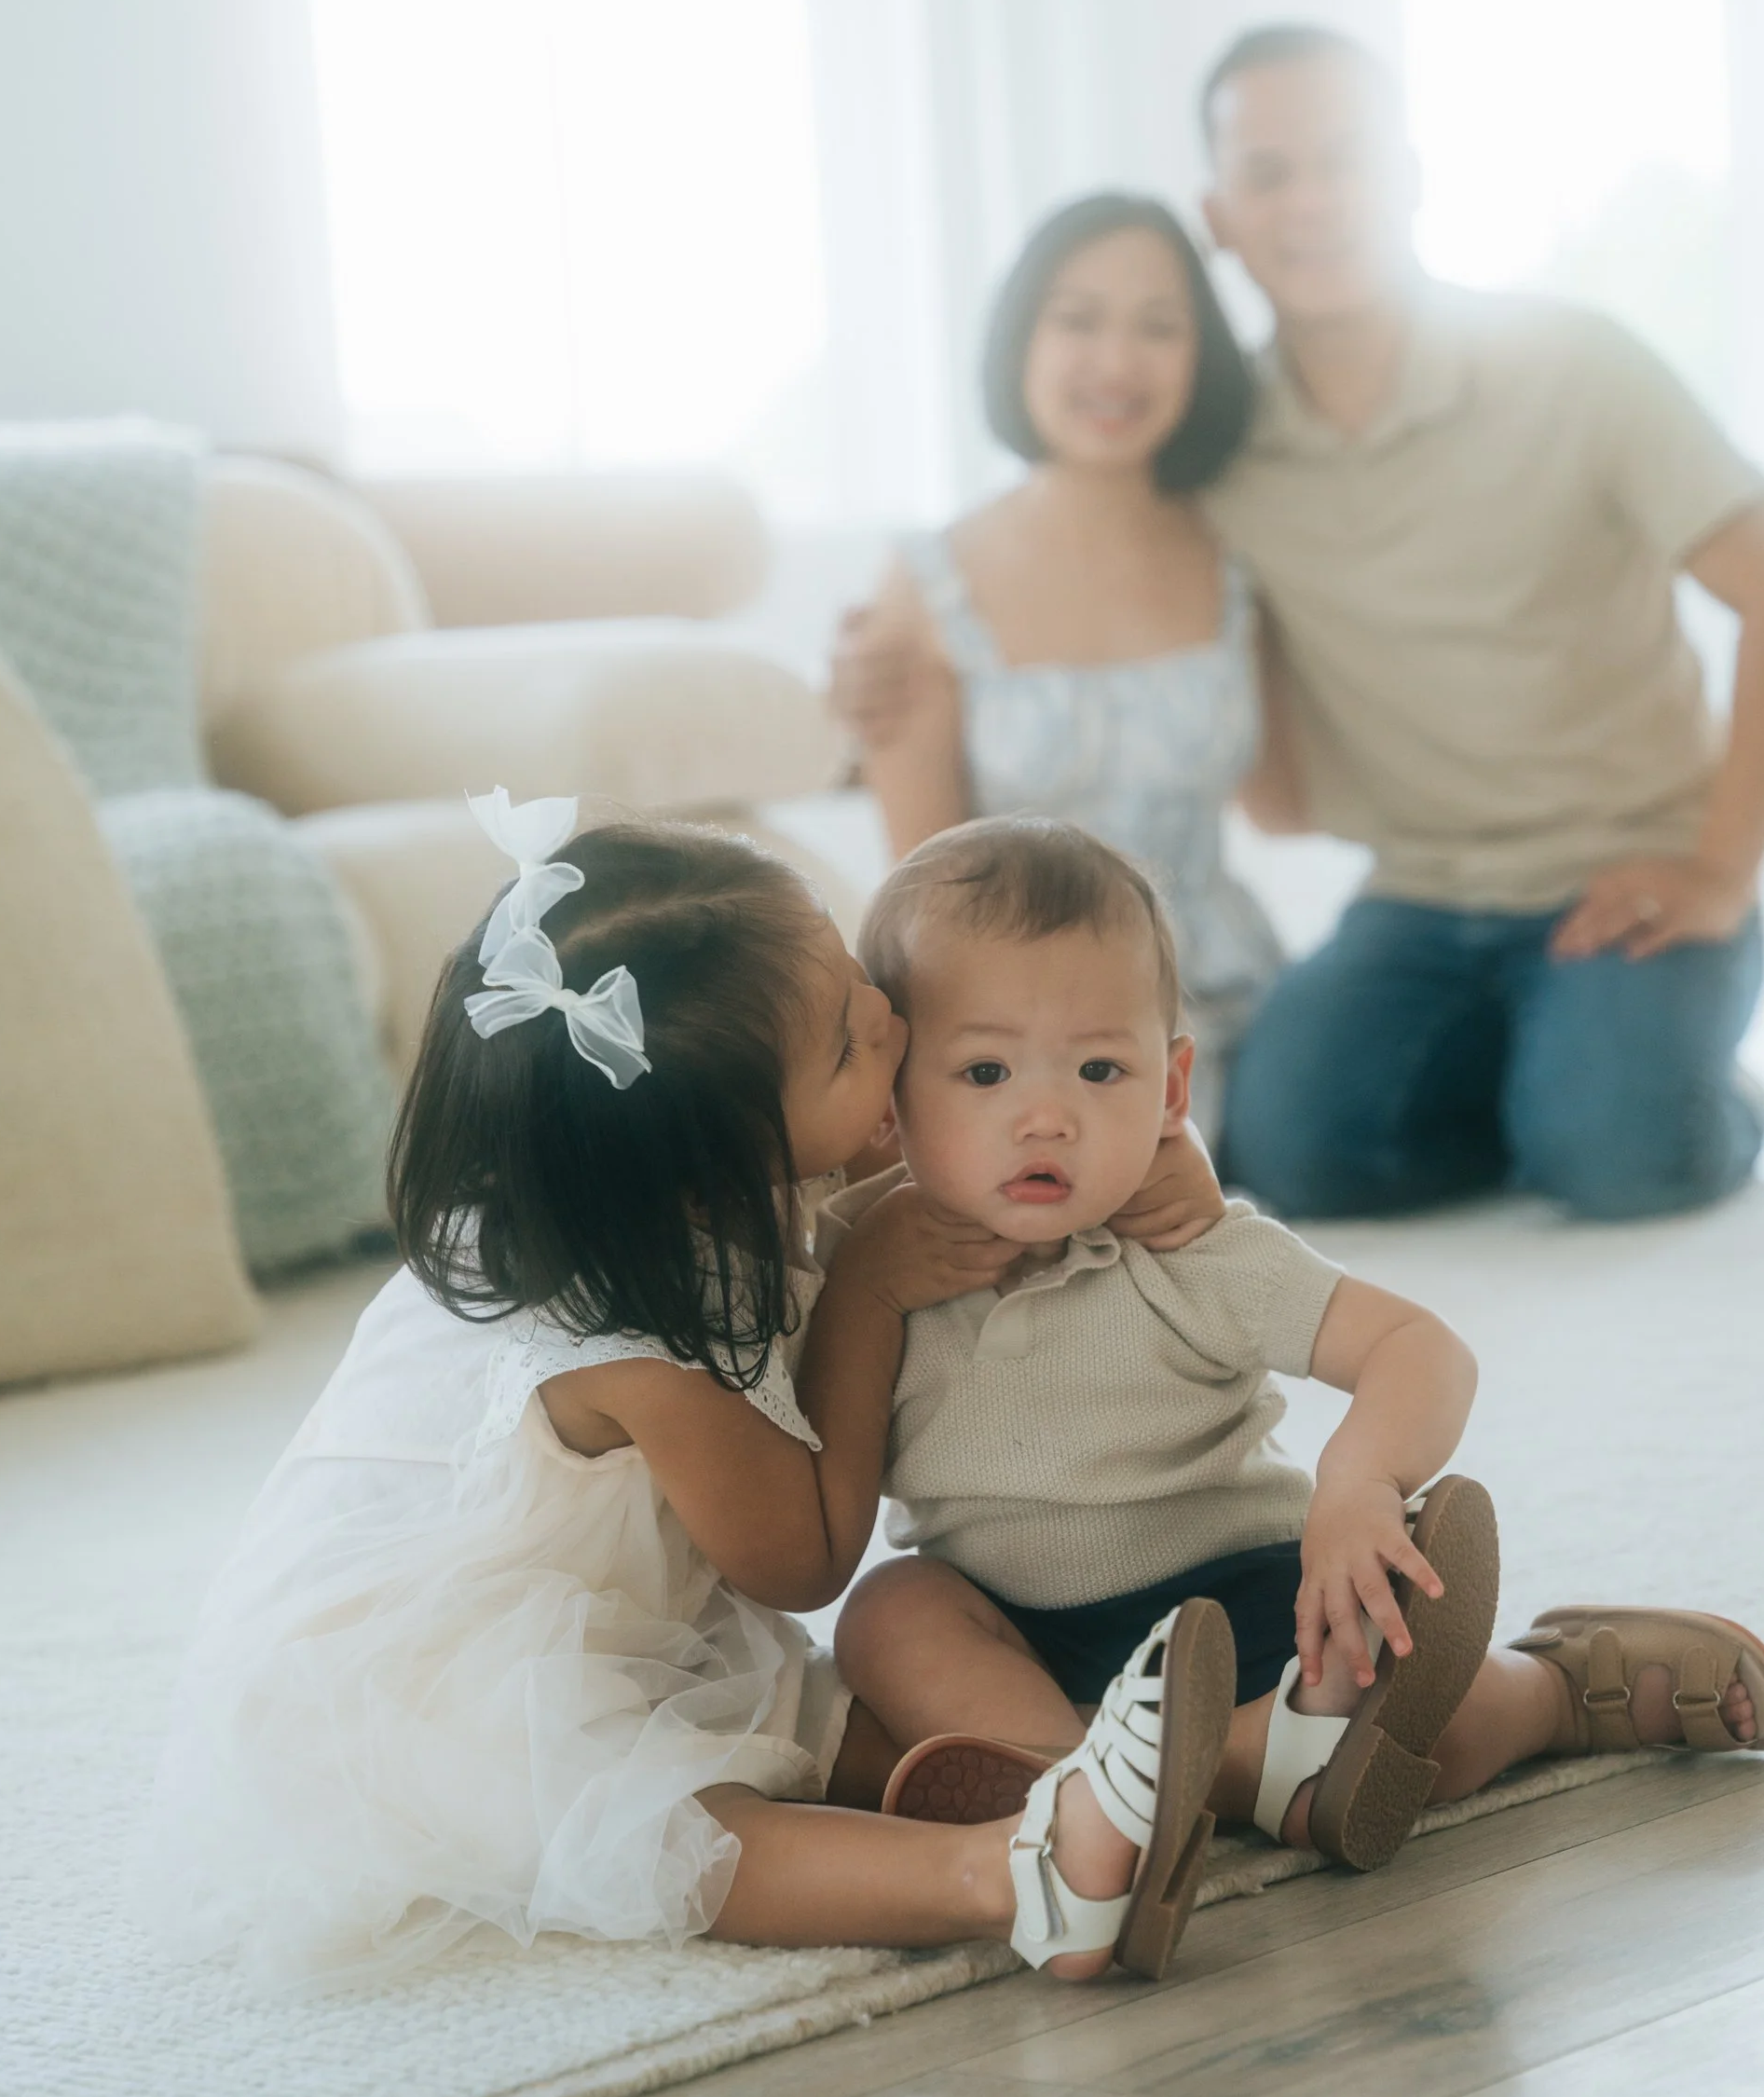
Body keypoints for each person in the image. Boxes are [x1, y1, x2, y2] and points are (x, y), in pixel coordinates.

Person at [134, 793, 1241, 1991]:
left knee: (874, 1725)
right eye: (845, 1040)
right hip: (416, 1714)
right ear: (729, 1164)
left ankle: (1174, 1773)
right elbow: (804, 1558)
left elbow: (962, 1157)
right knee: (679, 1829)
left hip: (611, 1636)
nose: (887, 1011)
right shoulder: (620, 1347)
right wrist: (864, 1295)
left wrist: (1120, 1134)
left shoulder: (632, 1195)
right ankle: (1006, 1878)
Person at [827, 817, 1764, 1863]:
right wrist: (862, 1282)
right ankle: (1126, 1793)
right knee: (888, 1611)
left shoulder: (1191, 1248)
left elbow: (1419, 1348)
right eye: (984, 1075)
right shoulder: (864, 1270)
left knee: (1439, 1730)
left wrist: (1358, 1484)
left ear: (1170, 1089)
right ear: (888, 1104)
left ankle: (1557, 1687)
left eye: (1099, 1071)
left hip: (1248, 1608)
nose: (1047, 1117)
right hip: (1019, 1646)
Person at [1197, 22, 1764, 1222]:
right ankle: (1553, 1083)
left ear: (1412, 176)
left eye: (1345, 159)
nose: (1312, 201)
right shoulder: (1221, 450)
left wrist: (1719, 869)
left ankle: (1660, 1094)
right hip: (1417, 893)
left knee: (1617, 1161)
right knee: (1287, 1155)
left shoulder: (1572, 363)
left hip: (1630, 872)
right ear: (1218, 214)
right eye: (1268, 173)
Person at [831, 191, 1294, 1139]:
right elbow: (918, 895)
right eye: (1077, 319)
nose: (1116, 363)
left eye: (1158, 326)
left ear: (1199, 355)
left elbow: (1290, 803)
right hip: (1038, 1027)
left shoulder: (1239, 552)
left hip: (1234, 998)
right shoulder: (925, 581)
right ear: (1021, 339)